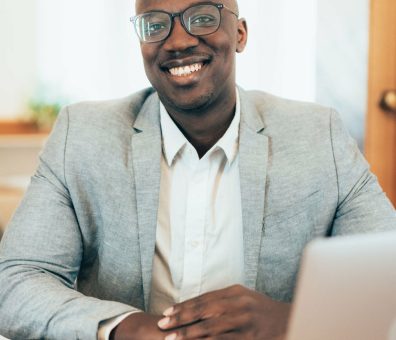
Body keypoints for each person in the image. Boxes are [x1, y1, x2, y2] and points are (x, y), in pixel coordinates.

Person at [0, 0, 395, 339]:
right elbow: (15, 283)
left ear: (240, 34)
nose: (178, 41)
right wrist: (123, 327)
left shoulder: (317, 135)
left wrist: (286, 322)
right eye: (155, 24)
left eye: (202, 16)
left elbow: (387, 277)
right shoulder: (82, 136)